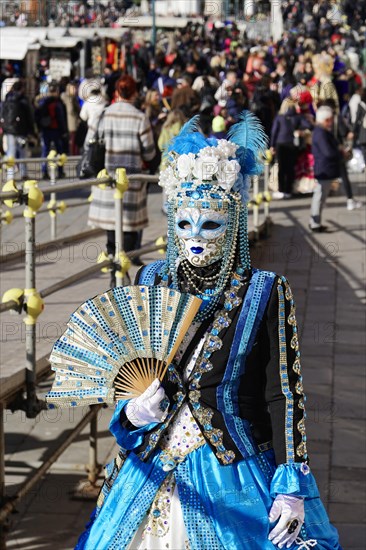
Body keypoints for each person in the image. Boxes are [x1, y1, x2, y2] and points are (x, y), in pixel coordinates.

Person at [74, 112, 342, 550]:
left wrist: (291, 484)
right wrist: (134, 414)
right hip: (151, 463)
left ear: (233, 223)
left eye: (210, 224)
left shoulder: (266, 291)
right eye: (184, 224)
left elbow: (284, 394)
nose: (196, 237)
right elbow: (132, 371)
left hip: (232, 467)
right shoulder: (152, 281)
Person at [87, 75, 156, 281]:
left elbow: (88, 143)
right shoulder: (139, 117)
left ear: (116, 92)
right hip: (130, 181)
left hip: (107, 180)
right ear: (134, 93)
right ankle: (122, 271)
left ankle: (114, 269)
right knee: (128, 228)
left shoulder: (103, 115)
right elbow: (150, 152)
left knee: (111, 227)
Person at [309, 106, 343, 232]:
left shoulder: (321, 131)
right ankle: (315, 223)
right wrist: (339, 152)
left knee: (321, 196)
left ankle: (315, 221)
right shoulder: (320, 132)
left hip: (324, 168)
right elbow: (327, 152)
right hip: (323, 168)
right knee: (320, 196)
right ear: (326, 119)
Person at [0, 80, 35, 180]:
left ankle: (10, 175)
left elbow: (2, 113)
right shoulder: (23, 100)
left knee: (10, 152)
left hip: (9, 131)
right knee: (23, 152)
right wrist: (31, 131)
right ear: (22, 88)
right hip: (21, 131)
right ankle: (24, 173)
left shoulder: (7, 98)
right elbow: (29, 116)